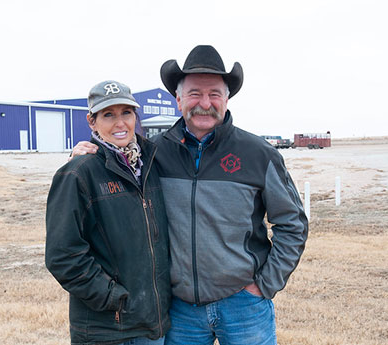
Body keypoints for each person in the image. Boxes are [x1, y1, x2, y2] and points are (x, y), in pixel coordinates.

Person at [71, 46, 308, 345]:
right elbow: (111, 170)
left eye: (214, 94)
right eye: (195, 93)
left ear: (226, 99)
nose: (204, 103)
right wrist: (84, 156)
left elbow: (293, 224)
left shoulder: (259, 155)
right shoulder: (152, 153)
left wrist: (265, 284)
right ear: (179, 99)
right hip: (180, 310)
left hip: (244, 306)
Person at [45, 80, 171, 345]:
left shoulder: (151, 164)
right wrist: (113, 299)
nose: (120, 123)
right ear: (92, 122)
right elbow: (62, 256)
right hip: (108, 328)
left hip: (151, 325)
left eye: (126, 112)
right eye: (108, 115)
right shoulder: (78, 173)